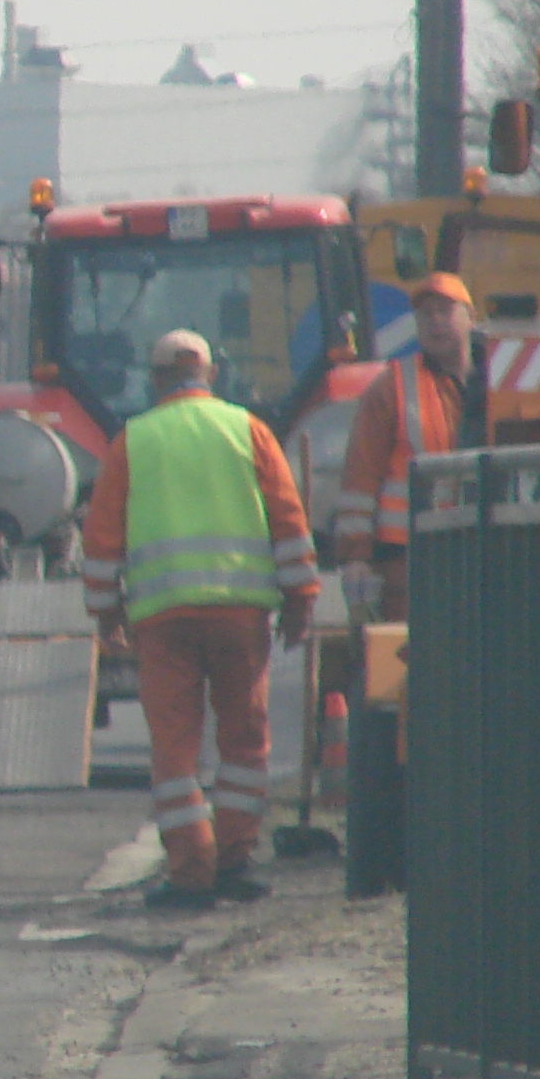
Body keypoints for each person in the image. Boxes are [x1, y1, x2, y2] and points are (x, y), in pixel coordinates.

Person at [79, 330, 318, 910]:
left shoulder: (133, 441)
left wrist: (105, 609)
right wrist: (301, 598)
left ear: (157, 379)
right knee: (243, 739)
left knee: (175, 749)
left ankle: (190, 871)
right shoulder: (248, 431)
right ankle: (236, 862)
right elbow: (288, 520)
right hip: (240, 616)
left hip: (164, 621)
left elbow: (102, 537)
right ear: (212, 373)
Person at [333, 271, 475, 624]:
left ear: (470, 318)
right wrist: (356, 559)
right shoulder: (392, 385)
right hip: (409, 559)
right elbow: (359, 478)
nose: (434, 322)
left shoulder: (504, 379)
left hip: (484, 548)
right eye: (425, 315)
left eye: (444, 311)